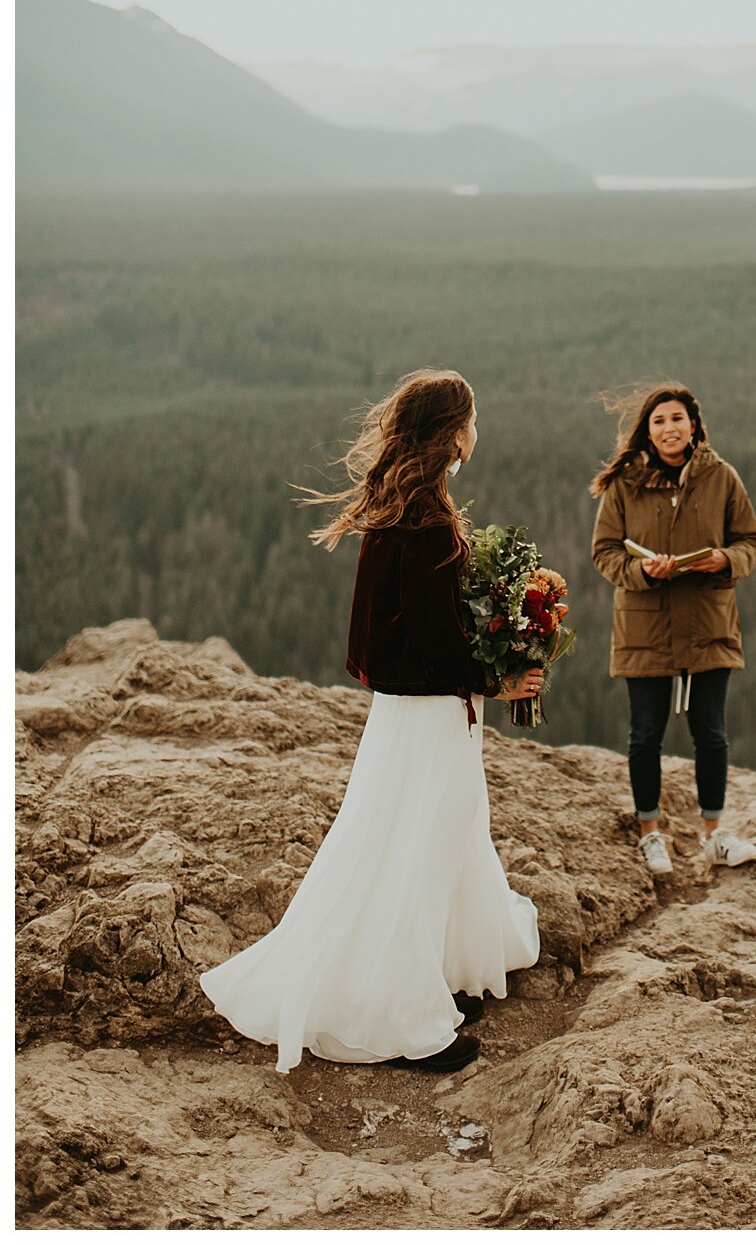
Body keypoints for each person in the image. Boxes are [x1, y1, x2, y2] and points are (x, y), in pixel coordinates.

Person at [199, 368, 545, 1074]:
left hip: (410, 715)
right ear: (455, 432)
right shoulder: (424, 521)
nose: (475, 432)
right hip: (422, 717)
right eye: (471, 421)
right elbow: (429, 639)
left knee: (438, 839)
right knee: (416, 850)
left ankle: (436, 976)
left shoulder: (409, 505)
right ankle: (398, 1016)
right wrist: (497, 677)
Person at [590, 383, 756, 877]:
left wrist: (723, 559)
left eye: (677, 419)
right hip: (645, 624)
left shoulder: (722, 478)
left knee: (711, 732)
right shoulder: (625, 484)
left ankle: (715, 835)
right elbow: (605, 552)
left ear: (694, 425)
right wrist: (643, 572)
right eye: (659, 421)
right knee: (646, 733)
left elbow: (748, 540)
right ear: (647, 430)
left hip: (708, 620)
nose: (669, 428)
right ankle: (650, 835)